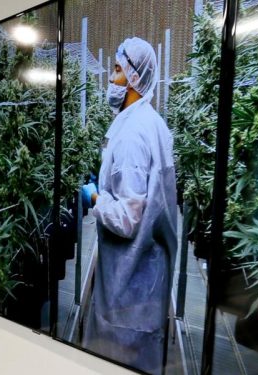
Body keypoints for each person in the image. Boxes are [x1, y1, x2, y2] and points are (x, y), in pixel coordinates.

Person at [80, 37, 178, 374]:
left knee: (117, 359)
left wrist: (95, 198)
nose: (111, 78)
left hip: (130, 285)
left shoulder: (134, 134)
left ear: (135, 79)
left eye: (118, 70)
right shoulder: (150, 122)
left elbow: (126, 219)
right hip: (147, 274)